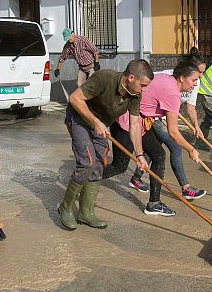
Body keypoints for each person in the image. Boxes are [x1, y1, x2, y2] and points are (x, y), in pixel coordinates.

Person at [58, 59, 153, 230]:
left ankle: (86, 213)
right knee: (87, 162)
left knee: (98, 166)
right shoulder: (104, 78)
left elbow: (134, 125)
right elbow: (75, 98)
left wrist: (139, 155)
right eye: (143, 85)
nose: (143, 90)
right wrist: (95, 121)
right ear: (131, 78)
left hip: (100, 125)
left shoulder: (135, 95)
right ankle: (65, 208)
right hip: (79, 118)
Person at [105, 60, 205, 215]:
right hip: (127, 122)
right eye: (193, 80)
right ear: (181, 78)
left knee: (158, 155)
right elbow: (173, 132)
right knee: (119, 167)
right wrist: (191, 149)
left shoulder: (167, 79)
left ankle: (154, 204)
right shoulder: (172, 92)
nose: (194, 84)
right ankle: (86, 177)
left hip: (141, 121)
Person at [128, 49, 208, 200]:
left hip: (160, 114)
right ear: (187, 71)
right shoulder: (170, 76)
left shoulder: (193, 81)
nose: (200, 77)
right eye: (199, 72)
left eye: (202, 73)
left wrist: (196, 126)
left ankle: (136, 177)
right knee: (175, 146)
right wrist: (191, 149)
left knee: (155, 150)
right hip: (148, 116)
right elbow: (173, 131)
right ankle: (185, 187)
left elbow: (190, 107)